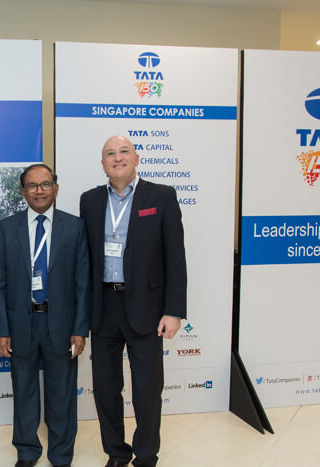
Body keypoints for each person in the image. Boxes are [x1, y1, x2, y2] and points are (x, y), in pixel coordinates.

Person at [79, 135, 187, 467]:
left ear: (136, 158)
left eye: (124, 151)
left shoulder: (161, 196)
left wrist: (173, 311)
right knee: (106, 388)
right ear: (103, 164)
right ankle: (116, 452)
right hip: (104, 306)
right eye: (110, 154)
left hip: (147, 307)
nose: (117, 158)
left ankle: (146, 455)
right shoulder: (90, 200)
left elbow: (175, 257)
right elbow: (86, 258)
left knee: (146, 389)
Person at [0, 163, 90, 467]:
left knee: (62, 394)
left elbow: (82, 282)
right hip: (21, 323)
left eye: (45, 184)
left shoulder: (75, 227)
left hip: (61, 324)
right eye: (32, 186)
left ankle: (61, 454)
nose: (39, 191)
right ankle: (26, 451)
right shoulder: (6, 228)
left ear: (55, 188)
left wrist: (80, 329)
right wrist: (1, 331)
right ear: (23, 192)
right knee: (24, 392)